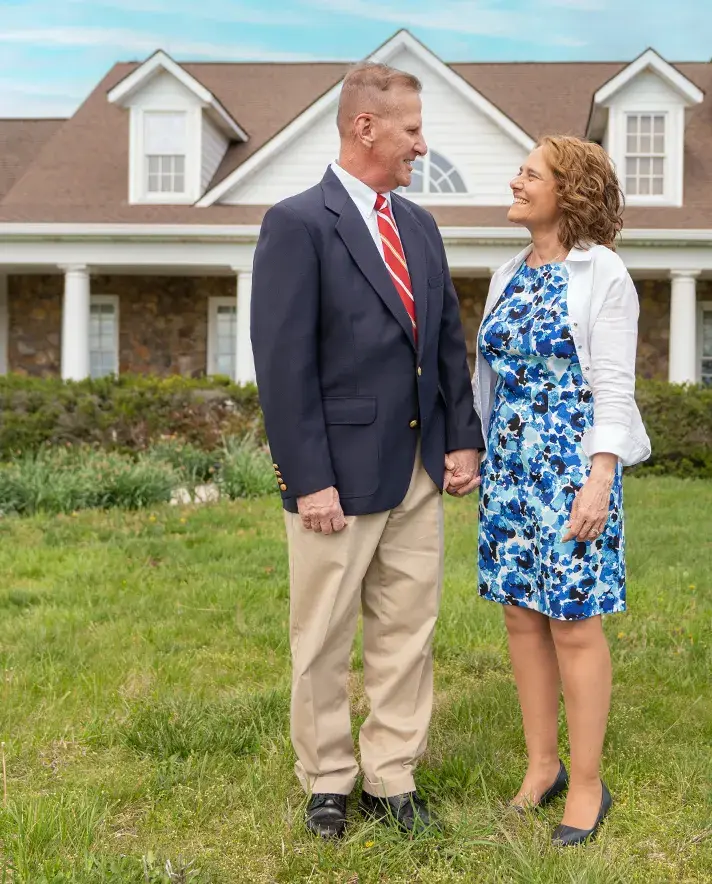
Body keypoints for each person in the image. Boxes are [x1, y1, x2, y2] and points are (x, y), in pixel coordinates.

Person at [251, 61, 483, 839]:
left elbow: (447, 340)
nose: (422, 143)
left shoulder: (418, 224)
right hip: (337, 482)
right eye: (412, 129)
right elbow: (284, 366)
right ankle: (326, 777)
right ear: (366, 127)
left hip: (419, 471)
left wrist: (460, 439)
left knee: (406, 631)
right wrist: (309, 480)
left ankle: (392, 775)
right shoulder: (298, 223)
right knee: (322, 638)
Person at [473, 135, 651, 847]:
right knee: (522, 616)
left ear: (567, 192)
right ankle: (541, 767)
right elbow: (490, 377)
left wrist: (600, 476)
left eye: (530, 174)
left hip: (571, 468)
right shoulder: (508, 272)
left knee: (575, 623)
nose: (515, 181)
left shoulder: (601, 273)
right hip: (510, 468)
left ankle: (586, 784)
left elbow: (612, 385)